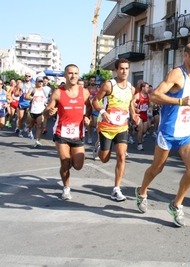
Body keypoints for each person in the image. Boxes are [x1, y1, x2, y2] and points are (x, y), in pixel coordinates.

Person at [135, 42, 190, 227]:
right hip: (168, 132)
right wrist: (181, 100)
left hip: (187, 133)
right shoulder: (176, 74)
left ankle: (176, 205)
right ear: (186, 55)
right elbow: (155, 96)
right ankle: (141, 191)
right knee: (157, 169)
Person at [92, 58, 138, 202]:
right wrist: (102, 111)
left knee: (121, 156)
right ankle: (100, 147)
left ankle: (116, 189)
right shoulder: (108, 85)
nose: (124, 71)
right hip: (106, 126)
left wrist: (134, 114)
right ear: (116, 70)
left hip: (122, 127)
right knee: (104, 159)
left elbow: (130, 104)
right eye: (121, 69)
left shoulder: (131, 88)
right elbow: (95, 101)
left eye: (126, 68)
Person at [43, 64, 92, 200]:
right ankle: (66, 188)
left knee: (78, 165)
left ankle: (72, 161)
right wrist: (49, 112)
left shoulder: (84, 92)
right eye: (70, 73)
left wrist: (87, 117)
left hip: (77, 133)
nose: (73, 76)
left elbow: (89, 107)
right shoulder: (58, 93)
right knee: (65, 162)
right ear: (65, 75)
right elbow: (46, 112)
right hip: (61, 132)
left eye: (76, 73)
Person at [25, 77, 48, 147]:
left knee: (39, 126)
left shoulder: (44, 91)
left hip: (40, 111)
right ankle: (29, 130)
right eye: (39, 81)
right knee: (31, 125)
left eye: (41, 81)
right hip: (33, 111)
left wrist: (46, 105)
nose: (40, 83)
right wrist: (32, 98)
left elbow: (43, 100)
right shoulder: (33, 89)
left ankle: (37, 141)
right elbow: (26, 97)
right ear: (36, 82)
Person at [16, 72, 34, 137]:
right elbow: (15, 93)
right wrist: (18, 94)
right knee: (20, 118)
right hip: (22, 103)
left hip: (29, 103)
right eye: (26, 76)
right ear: (24, 76)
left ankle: (26, 125)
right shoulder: (21, 84)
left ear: (31, 77)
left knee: (30, 117)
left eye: (29, 76)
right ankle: (20, 130)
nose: (27, 77)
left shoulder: (33, 85)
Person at [134, 82, 151, 151]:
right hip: (139, 115)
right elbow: (131, 104)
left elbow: (150, 104)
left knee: (145, 129)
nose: (148, 89)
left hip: (145, 114)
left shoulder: (148, 96)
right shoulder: (138, 95)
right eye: (147, 87)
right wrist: (135, 109)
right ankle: (139, 144)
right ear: (143, 88)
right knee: (141, 129)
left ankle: (136, 128)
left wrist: (150, 107)